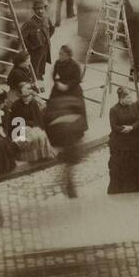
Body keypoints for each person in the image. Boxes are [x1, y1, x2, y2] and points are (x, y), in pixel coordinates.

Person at [44, 61, 88, 197]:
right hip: (67, 136)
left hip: (69, 134)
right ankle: (68, 185)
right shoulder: (60, 99)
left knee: (69, 163)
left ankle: (66, 182)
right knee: (70, 163)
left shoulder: (74, 96)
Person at [107, 85, 139, 193]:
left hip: (133, 141)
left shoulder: (133, 106)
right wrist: (124, 129)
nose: (131, 100)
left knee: (134, 165)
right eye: (128, 98)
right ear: (121, 98)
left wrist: (132, 127)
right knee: (121, 167)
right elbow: (114, 126)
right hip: (120, 143)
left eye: (131, 98)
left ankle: (135, 188)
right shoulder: (113, 110)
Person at [9, 80, 53, 163]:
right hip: (21, 127)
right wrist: (27, 126)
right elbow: (15, 121)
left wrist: (38, 127)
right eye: (26, 96)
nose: (28, 98)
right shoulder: (16, 105)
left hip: (33, 125)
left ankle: (43, 156)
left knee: (40, 134)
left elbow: (38, 118)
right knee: (32, 136)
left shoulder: (33, 103)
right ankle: (33, 158)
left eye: (29, 95)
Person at [20, 0, 55, 87]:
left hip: (45, 49)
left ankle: (40, 84)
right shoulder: (30, 23)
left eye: (42, 8)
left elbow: (52, 29)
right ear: (34, 10)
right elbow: (21, 37)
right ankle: (34, 86)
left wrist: (46, 39)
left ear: (44, 9)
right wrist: (31, 46)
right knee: (34, 70)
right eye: (38, 9)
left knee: (41, 69)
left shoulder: (46, 19)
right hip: (35, 51)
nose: (40, 11)